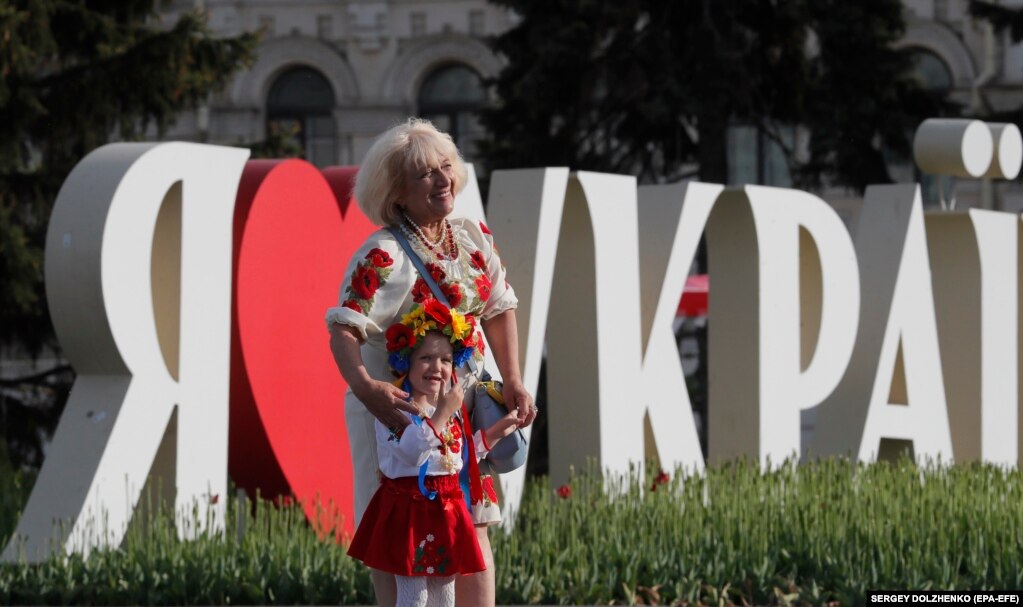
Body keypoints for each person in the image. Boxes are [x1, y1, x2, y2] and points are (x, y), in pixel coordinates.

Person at [326, 117, 537, 606]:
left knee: (472, 526)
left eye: (446, 166)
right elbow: (344, 327)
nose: (443, 179)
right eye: (426, 174)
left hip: (461, 419)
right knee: (396, 541)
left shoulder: (472, 236)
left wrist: (514, 380)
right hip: (396, 419)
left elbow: (500, 306)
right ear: (396, 193)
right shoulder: (382, 254)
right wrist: (365, 387)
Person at [347, 302, 519, 607]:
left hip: (445, 510)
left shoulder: (446, 413)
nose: (437, 367)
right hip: (410, 510)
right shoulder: (394, 407)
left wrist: (501, 428)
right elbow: (413, 453)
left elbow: (456, 457)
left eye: (445, 360)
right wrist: (442, 413)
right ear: (406, 363)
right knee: (415, 596)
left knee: (445, 595)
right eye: (426, 358)